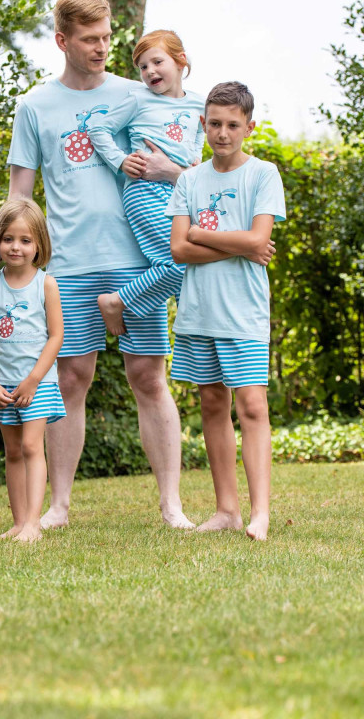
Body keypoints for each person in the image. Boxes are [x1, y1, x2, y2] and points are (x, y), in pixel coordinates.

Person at [7, 0, 193, 530]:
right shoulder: (34, 106)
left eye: (107, 37)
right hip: (69, 263)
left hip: (139, 260)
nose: (102, 48)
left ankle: (172, 506)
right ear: (62, 41)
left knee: (149, 377)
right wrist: (18, 263)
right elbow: (20, 193)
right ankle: (59, 507)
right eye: (90, 39)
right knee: (70, 378)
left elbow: (186, 160)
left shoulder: (138, 92)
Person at [167, 82, 285, 541]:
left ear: (249, 127)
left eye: (233, 125)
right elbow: (179, 249)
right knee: (212, 403)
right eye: (214, 123)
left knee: (252, 406)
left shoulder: (263, 174)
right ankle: (227, 510)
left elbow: (259, 239)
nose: (222, 133)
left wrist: (201, 234)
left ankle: (260, 515)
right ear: (202, 123)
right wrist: (238, 245)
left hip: (244, 313)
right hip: (199, 312)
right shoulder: (189, 180)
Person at [88, 29, 204, 335]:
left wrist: (195, 158)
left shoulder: (198, 104)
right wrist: (120, 160)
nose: (149, 71)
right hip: (145, 190)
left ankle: (193, 337)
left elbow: (199, 135)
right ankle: (116, 302)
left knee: (196, 271)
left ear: (181, 61)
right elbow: (98, 129)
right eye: (142, 66)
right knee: (181, 260)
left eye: (157, 62)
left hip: (180, 192)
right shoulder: (138, 99)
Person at [0, 199, 65, 542]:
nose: (16, 247)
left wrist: (32, 380)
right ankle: (17, 523)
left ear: (38, 244)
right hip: (3, 386)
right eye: (9, 239)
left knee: (31, 446)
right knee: (12, 452)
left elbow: (56, 337)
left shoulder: (46, 284)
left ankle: (33, 524)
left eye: (25, 240)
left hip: (38, 383)